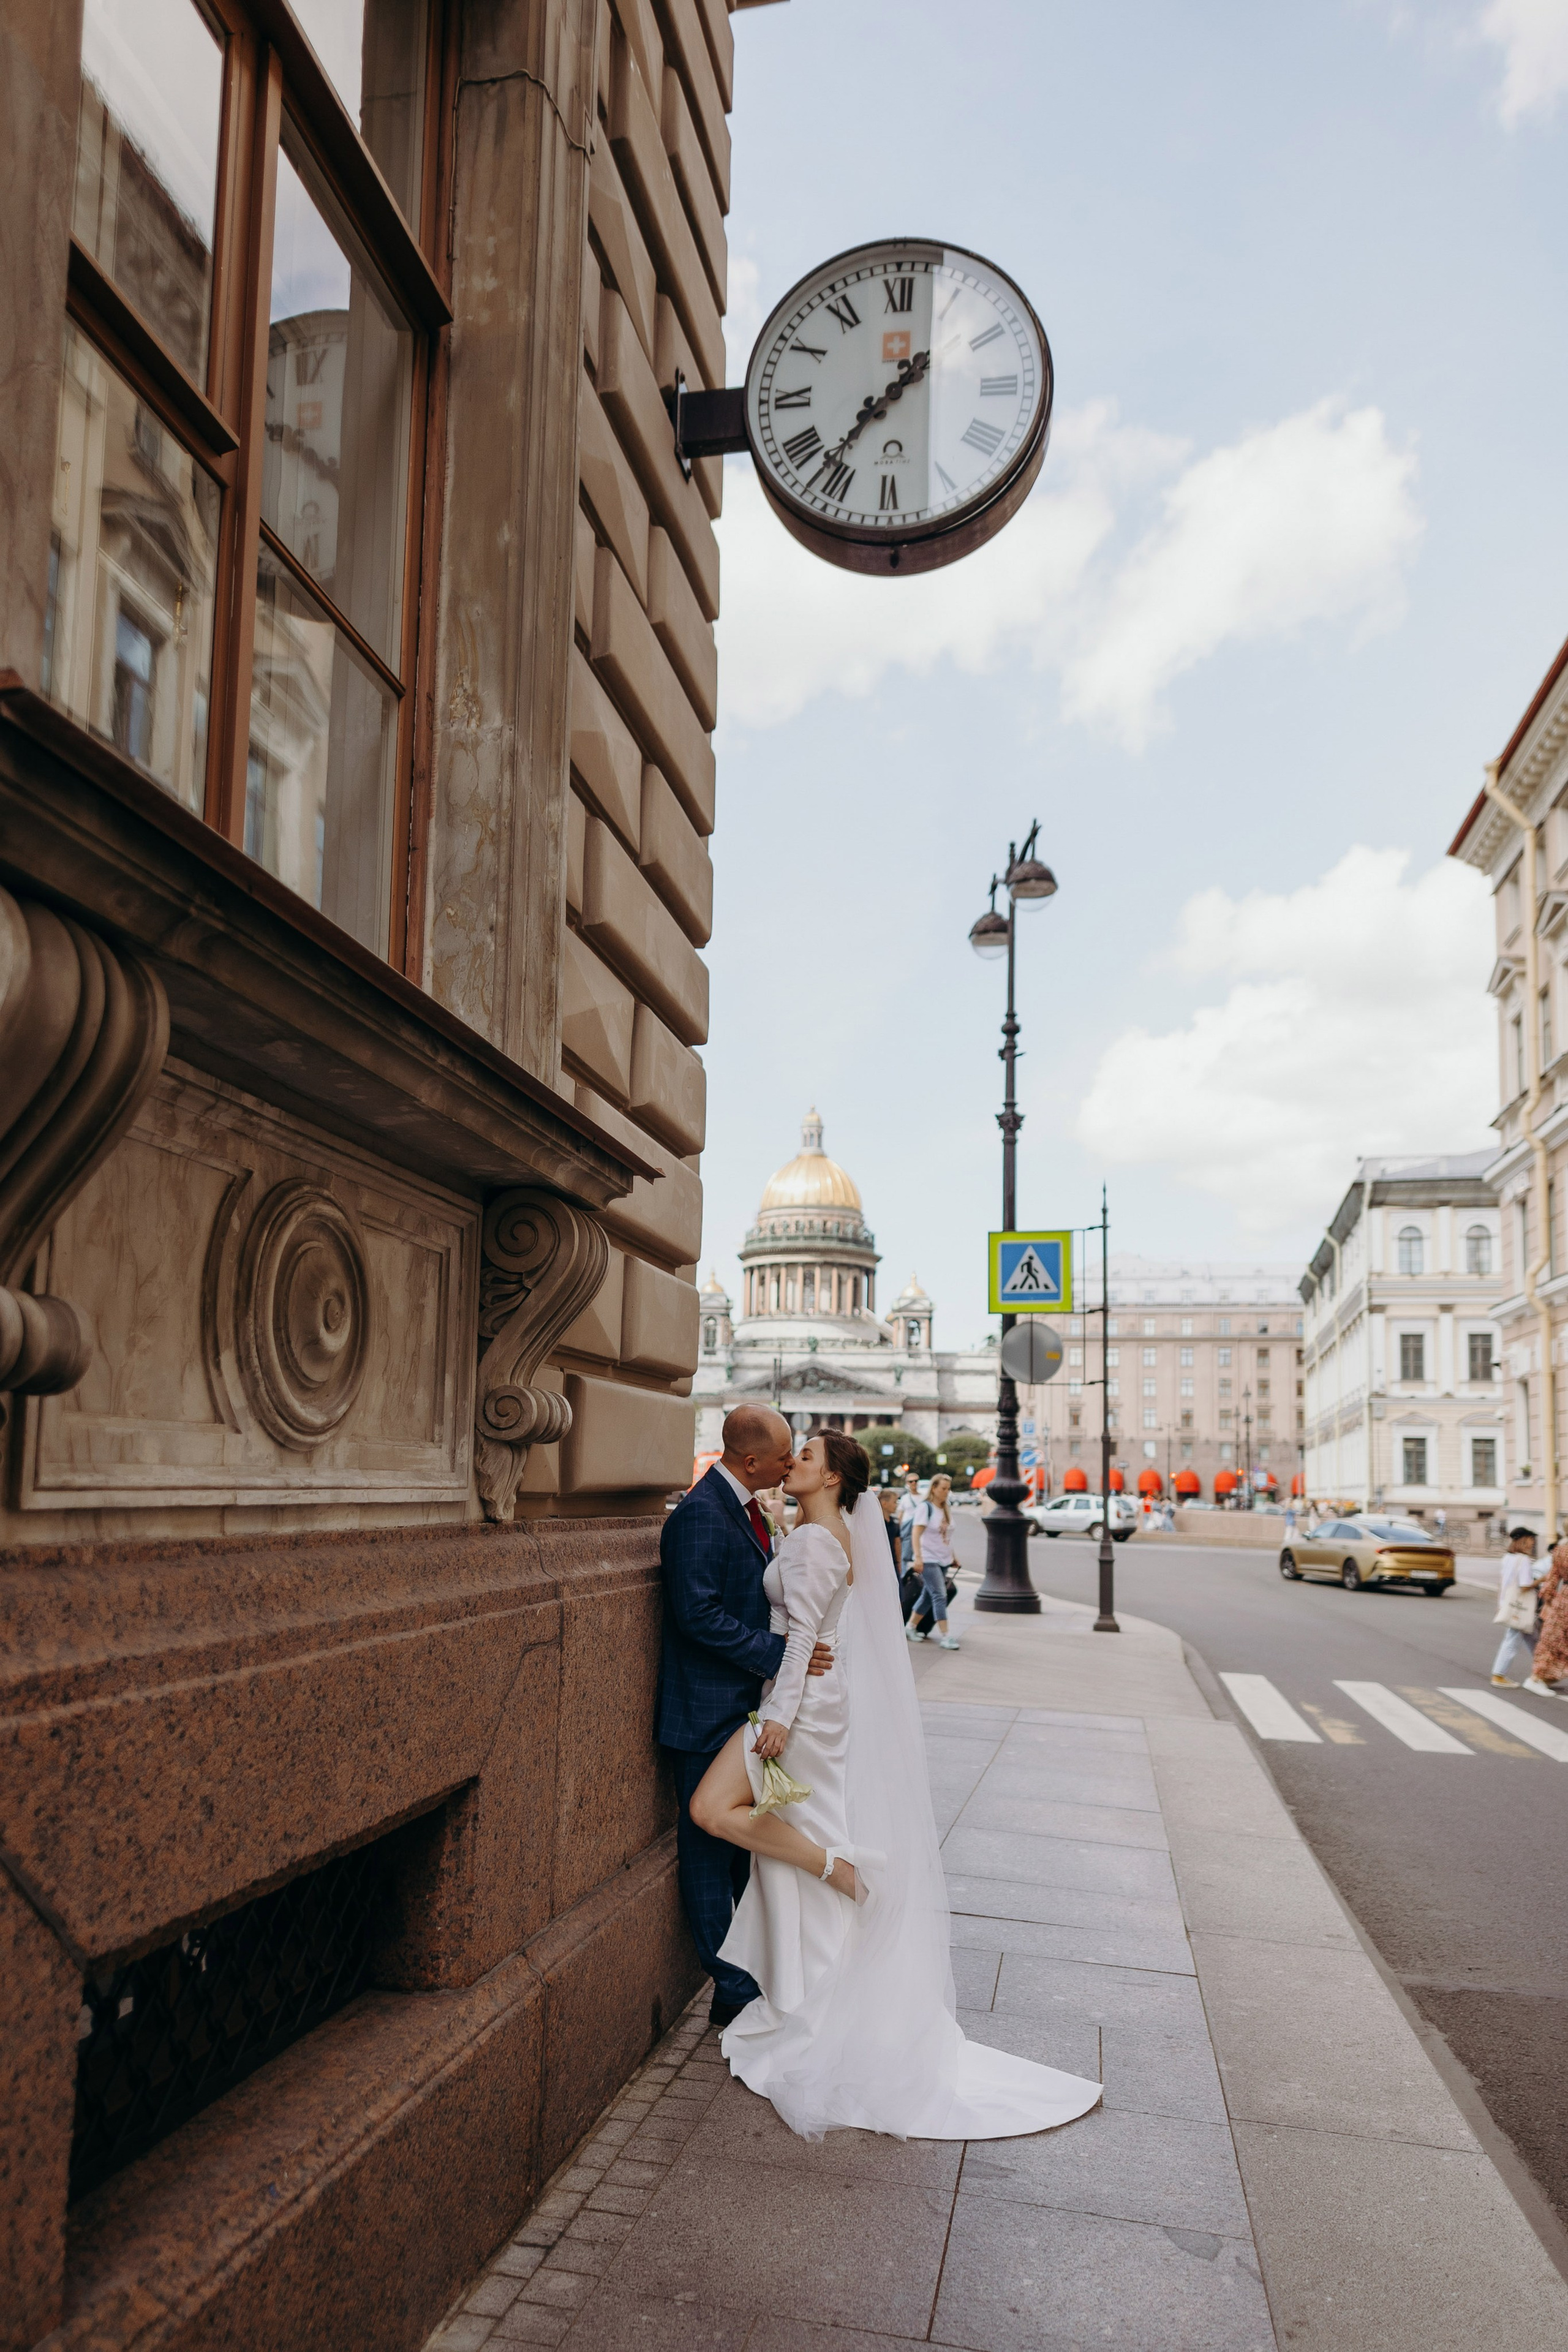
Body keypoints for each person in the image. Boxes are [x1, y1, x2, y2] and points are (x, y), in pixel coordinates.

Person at [690, 1430, 1101, 2140]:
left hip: (800, 1715)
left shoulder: (820, 1543)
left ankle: (839, 1872)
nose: (794, 1464)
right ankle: (821, 1917)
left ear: (835, 1481)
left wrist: (780, 1718)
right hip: (803, 1707)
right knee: (757, 1826)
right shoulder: (814, 1531)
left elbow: (797, 1646)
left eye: (808, 1459)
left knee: (713, 1811)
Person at [658, 1405, 835, 2027]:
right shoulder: (700, 1516)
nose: (791, 1463)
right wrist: (781, 1656)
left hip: (742, 1705)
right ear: (752, 1461)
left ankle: (750, 1975)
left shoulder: (741, 1507)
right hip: (705, 1709)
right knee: (708, 1850)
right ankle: (732, 1990)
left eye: (799, 1455)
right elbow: (698, 1615)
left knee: (737, 1852)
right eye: (785, 1454)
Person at [907, 1472, 959, 1649]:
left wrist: (953, 1556)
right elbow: (916, 1533)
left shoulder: (946, 1507)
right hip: (928, 1558)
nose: (946, 1492)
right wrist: (918, 1557)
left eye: (948, 1489)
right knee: (940, 1595)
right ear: (934, 1489)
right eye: (943, 1489)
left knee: (929, 1595)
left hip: (943, 1558)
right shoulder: (925, 1507)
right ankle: (946, 1636)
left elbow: (947, 1536)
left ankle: (911, 1627)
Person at [1491, 1527, 1540, 1686]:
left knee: (1533, 1638)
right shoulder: (1524, 1560)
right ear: (1524, 1541)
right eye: (1531, 1539)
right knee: (1512, 1640)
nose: (1533, 1543)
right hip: (1520, 1607)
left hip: (1509, 1603)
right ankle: (1499, 1675)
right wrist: (1543, 1580)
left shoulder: (1507, 1558)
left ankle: (1542, 1672)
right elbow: (1525, 1585)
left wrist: (1500, 1604)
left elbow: (1502, 1582)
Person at [1523, 1535, 1568, 1698]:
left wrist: (1549, 1602)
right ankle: (1536, 1679)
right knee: (1554, 1643)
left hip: (1563, 1599)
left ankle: (1541, 1678)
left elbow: (1552, 1580)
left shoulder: (1560, 1551)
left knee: (1554, 1642)